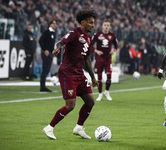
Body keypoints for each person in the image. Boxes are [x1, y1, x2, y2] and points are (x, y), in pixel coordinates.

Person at [42, 9, 98, 140]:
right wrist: (57, 47)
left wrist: (93, 77)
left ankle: (78, 128)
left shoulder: (89, 38)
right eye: (90, 23)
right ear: (83, 22)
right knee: (70, 105)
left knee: (90, 101)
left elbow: (88, 60)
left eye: (93, 23)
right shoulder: (74, 33)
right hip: (67, 73)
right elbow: (61, 41)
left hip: (79, 73)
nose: (93, 25)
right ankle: (49, 127)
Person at [91, 19, 118, 101]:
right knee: (99, 78)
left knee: (109, 77)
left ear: (110, 26)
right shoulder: (97, 34)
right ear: (102, 26)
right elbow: (90, 45)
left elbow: (116, 46)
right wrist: (96, 51)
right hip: (99, 58)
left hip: (108, 58)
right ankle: (100, 94)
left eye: (108, 25)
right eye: (105, 25)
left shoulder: (112, 36)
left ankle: (106, 91)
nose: (106, 27)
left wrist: (114, 50)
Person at [39, 20, 57, 92]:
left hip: (50, 53)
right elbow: (40, 41)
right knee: (44, 70)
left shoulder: (53, 33)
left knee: (47, 70)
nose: (55, 25)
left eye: (55, 24)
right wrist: (44, 49)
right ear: (50, 24)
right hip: (46, 53)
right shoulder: (46, 32)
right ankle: (42, 87)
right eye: (54, 23)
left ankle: (43, 86)